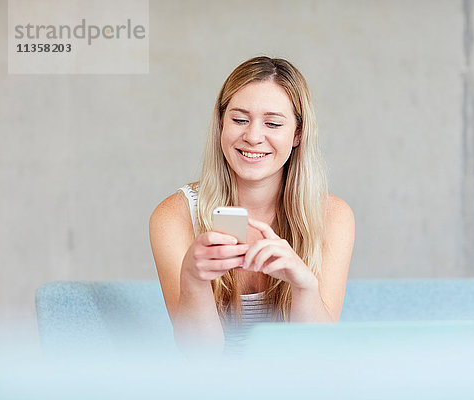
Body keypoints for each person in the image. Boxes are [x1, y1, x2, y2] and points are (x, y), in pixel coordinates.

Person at [149, 56, 355, 355]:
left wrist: (303, 287)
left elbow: (317, 355)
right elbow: (199, 357)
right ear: (221, 123)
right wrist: (194, 278)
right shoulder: (175, 216)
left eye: (272, 123)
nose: (253, 137)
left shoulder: (333, 217)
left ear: (298, 133)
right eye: (239, 119)